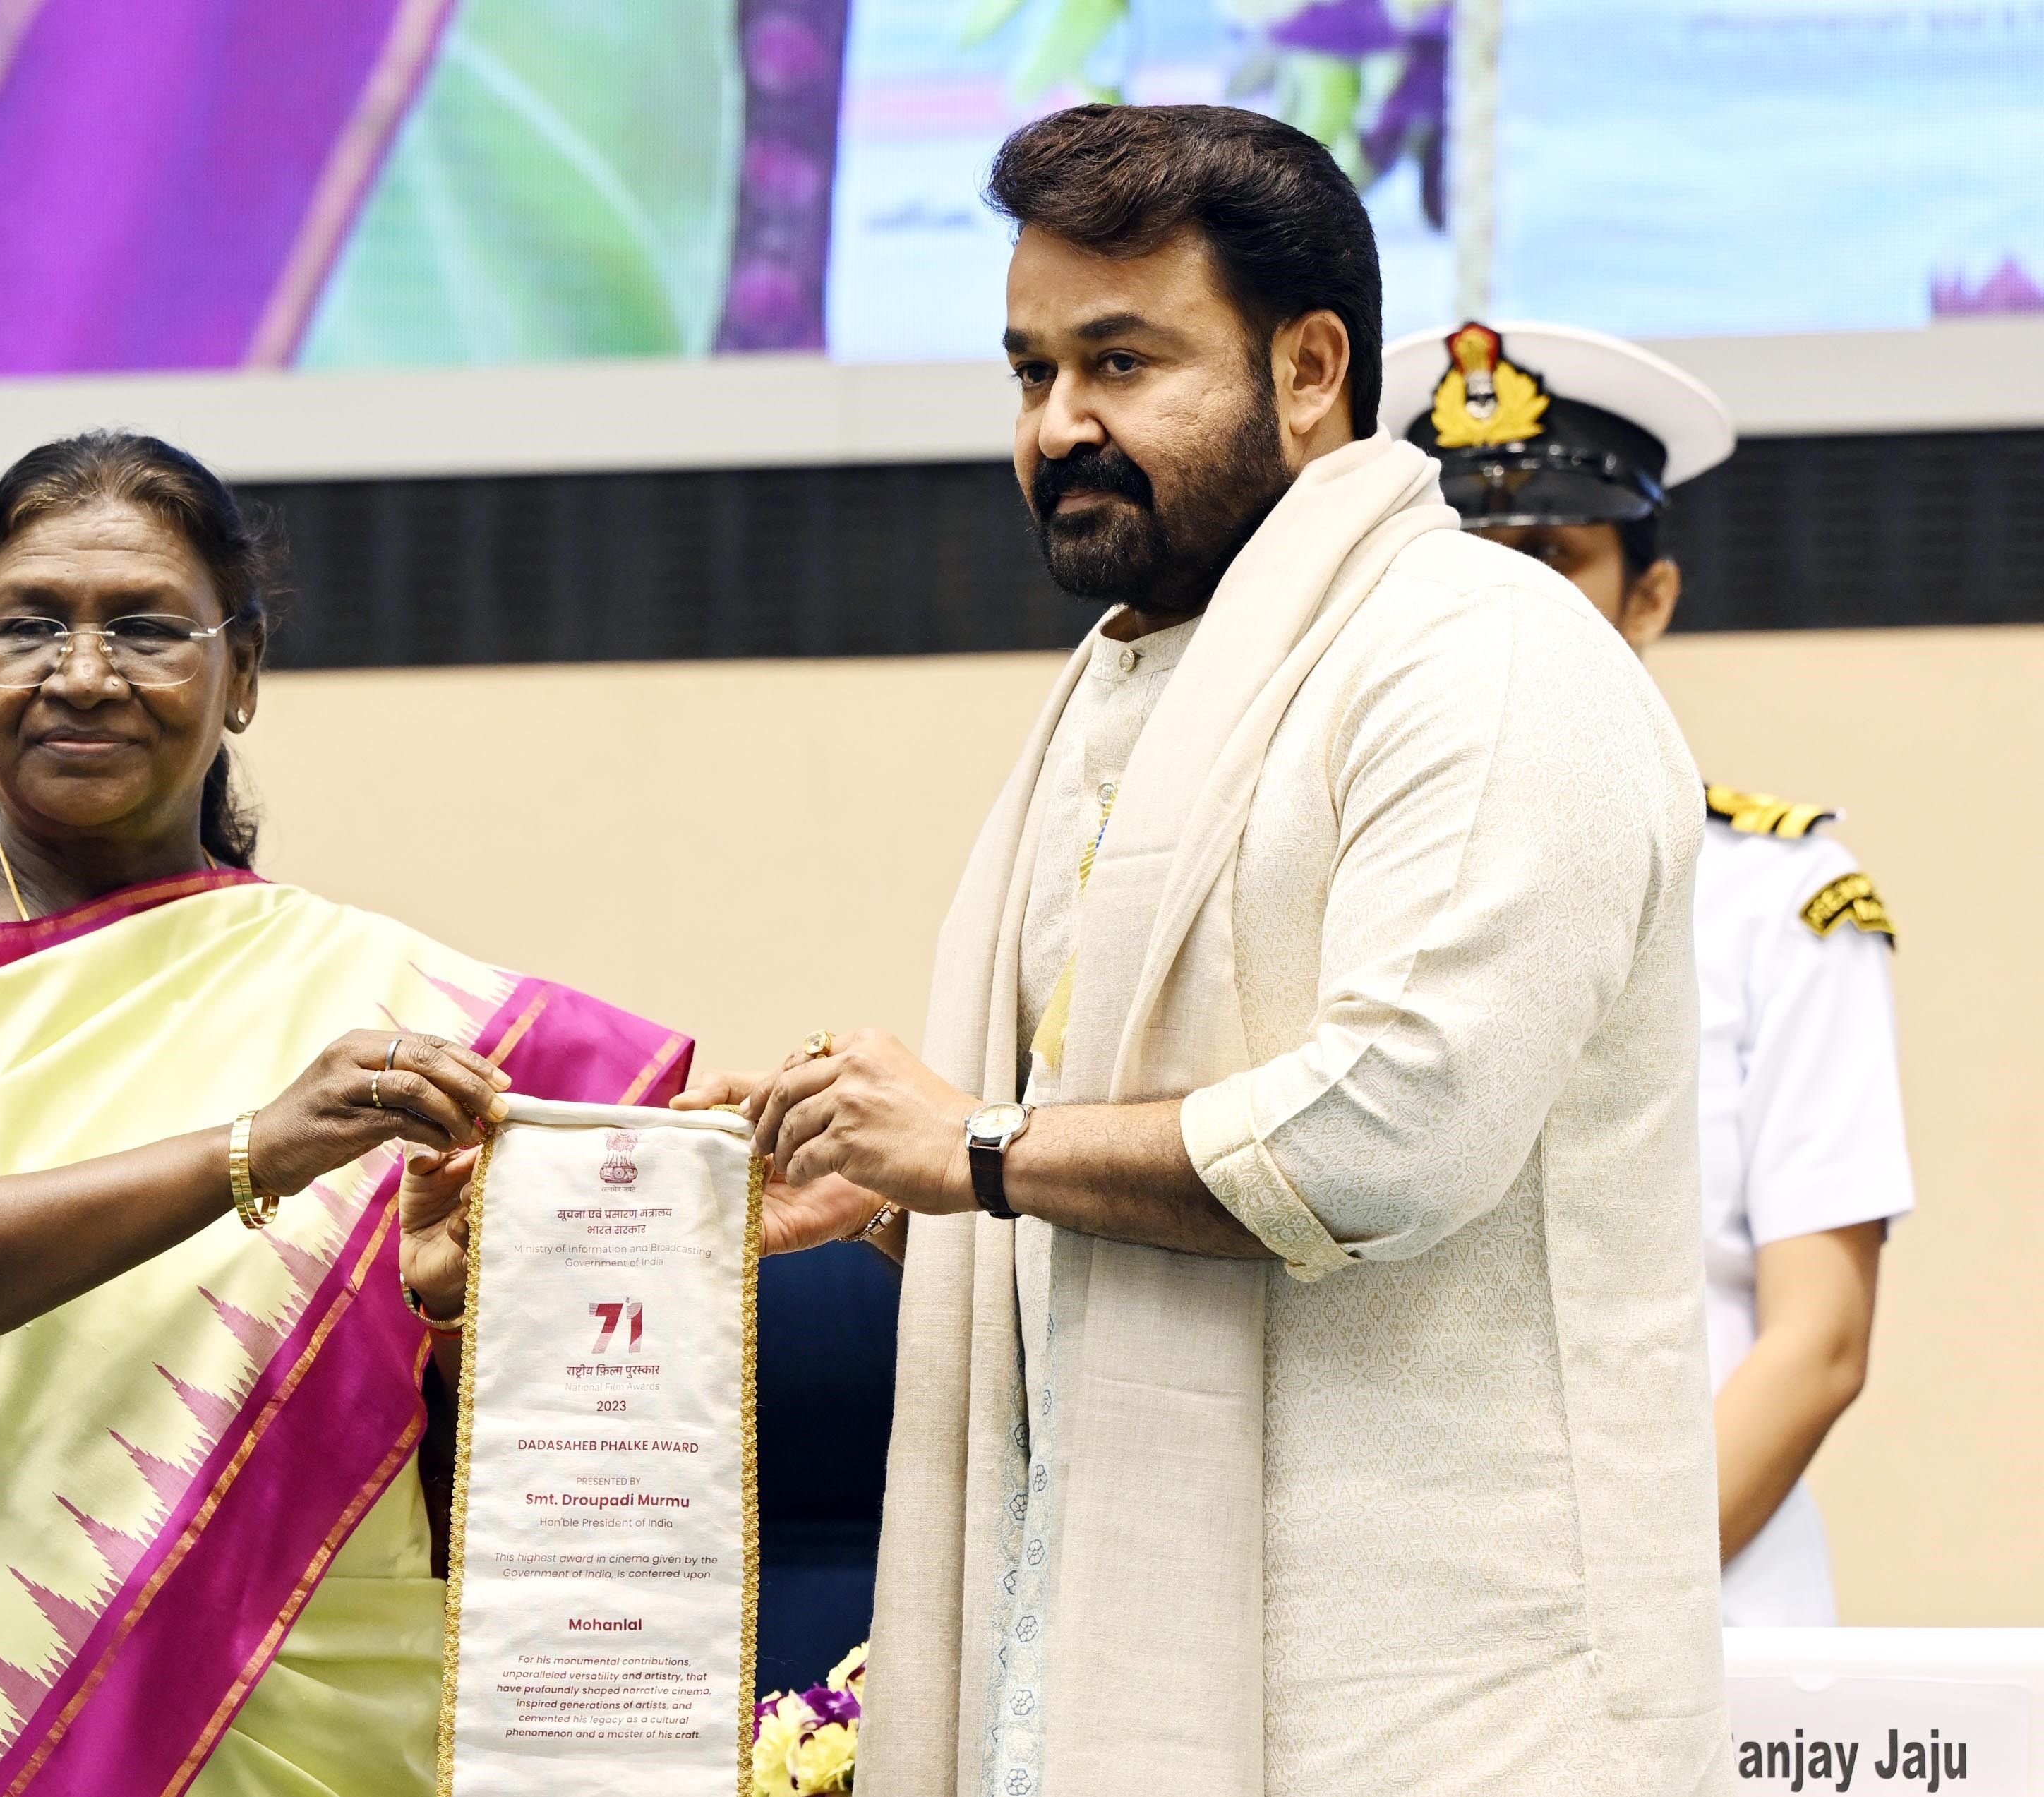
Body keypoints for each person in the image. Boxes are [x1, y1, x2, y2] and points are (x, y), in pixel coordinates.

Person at [683, 105, 1732, 1794]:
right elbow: (1087, 1165)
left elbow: (1392, 1132)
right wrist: (893, 1197)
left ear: (1309, 368)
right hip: (1130, 1681)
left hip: (1447, 1709)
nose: (1059, 427)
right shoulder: (1131, 685)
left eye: (1121, 362)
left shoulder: (1481, 654)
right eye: (1030, 372)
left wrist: (973, 1148)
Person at [0, 433, 704, 1796]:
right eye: (27, 626)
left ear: (240, 673)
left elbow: (551, 1440)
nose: (83, 673)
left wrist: (452, 1306)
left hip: (290, 1717)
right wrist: (257, 1150)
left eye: (145, 628)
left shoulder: (389, 1008)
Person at [1381, 320, 1915, 1624]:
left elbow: (1820, 1340)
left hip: (1699, 1615)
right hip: (1410, 1623)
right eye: (1466, 559)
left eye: (1554, 557)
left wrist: (1599, 1615)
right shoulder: (1353, 887)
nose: (1506, 602)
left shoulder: (1781, 898)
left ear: (1650, 598)